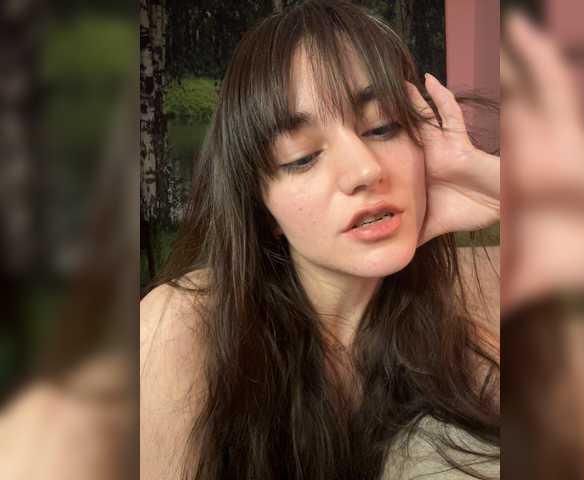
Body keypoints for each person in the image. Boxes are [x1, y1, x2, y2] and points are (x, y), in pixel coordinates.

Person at [141, 1, 500, 479]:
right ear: (263, 210)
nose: (365, 170)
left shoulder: (463, 350)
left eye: (382, 127)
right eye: (302, 157)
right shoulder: (181, 329)